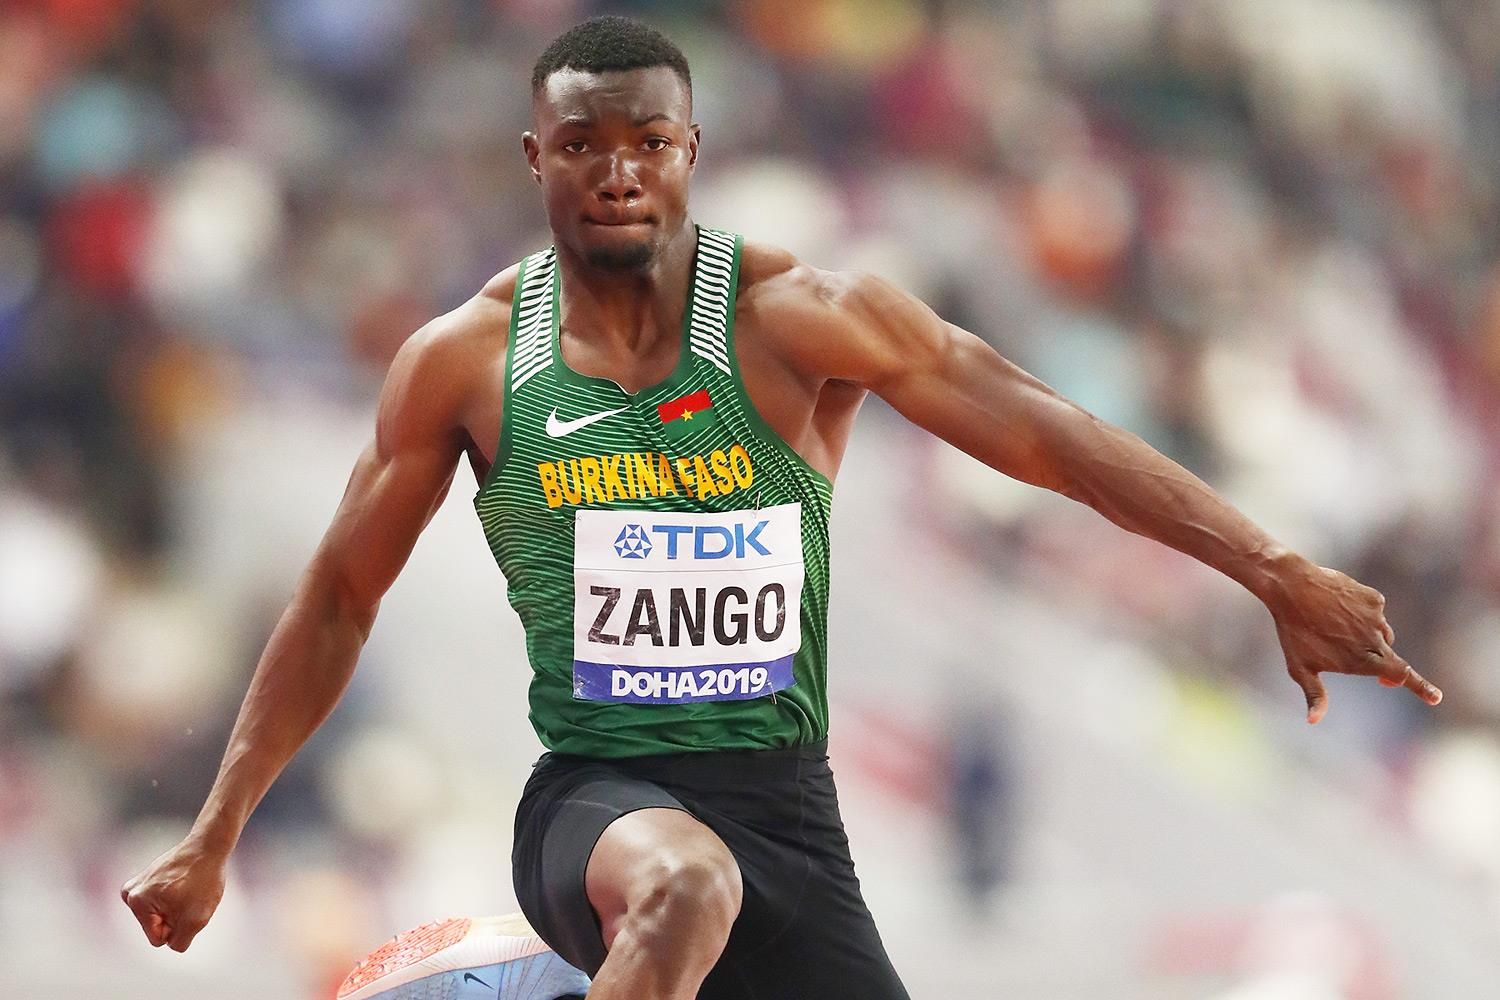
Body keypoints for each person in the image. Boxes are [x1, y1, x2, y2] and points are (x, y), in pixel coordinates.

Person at [121, 15, 1443, 1000]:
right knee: (683, 886)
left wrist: (1272, 567)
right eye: (585, 144)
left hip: (791, 819)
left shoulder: (802, 319)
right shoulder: (468, 363)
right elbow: (343, 596)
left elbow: (1050, 433)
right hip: (599, 801)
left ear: (692, 151)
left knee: (721, 882)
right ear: (537, 157)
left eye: (649, 141)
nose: (620, 171)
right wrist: (213, 833)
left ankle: (497, 984)